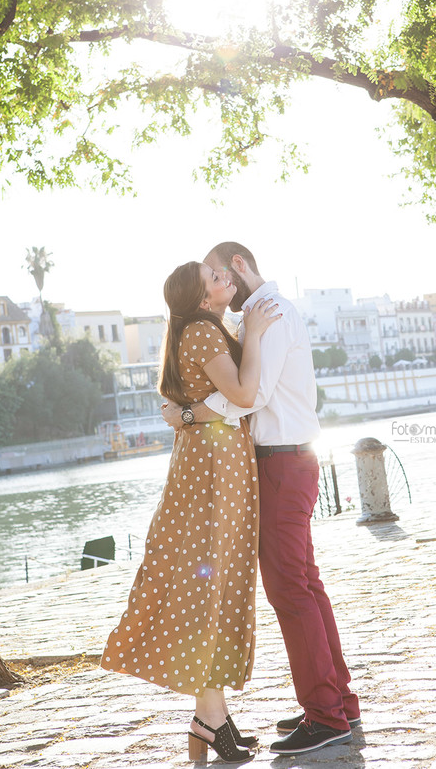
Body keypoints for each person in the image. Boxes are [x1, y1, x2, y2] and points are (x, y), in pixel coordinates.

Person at [162, 242, 360, 755]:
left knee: (291, 592)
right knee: (305, 586)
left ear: (239, 268)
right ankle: (337, 700)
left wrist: (190, 413)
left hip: (280, 463)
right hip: (281, 461)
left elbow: (254, 394)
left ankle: (326, 715)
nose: (217, 285)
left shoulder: (267, 314)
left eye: (218, 273)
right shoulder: (259, 316)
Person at [101, 260, 280, 765]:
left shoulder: (204, 327)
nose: (226, 281)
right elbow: (243, 394)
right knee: (210, 583)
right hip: (211, 473)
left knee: (217, 584)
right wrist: (260, 334)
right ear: (204, 300)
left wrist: (189, 412)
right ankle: (209, 717)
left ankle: (214, 716)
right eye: (216, 280)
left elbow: (208, 402)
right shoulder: (202, 331)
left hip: (214, 465)